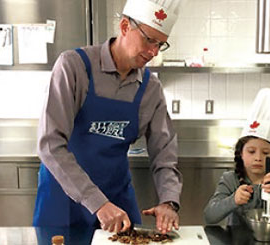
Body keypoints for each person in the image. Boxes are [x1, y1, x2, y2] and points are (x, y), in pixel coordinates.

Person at [33, 0, 184, 236]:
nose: (153, 52)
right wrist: (98, 203)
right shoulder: (74, 66)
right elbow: (50, 145)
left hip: (117, 199)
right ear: (125, 27)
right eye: (149, 40)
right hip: (63, 200)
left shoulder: (150, 88)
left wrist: (169, 202)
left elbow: (164, 154)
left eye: (160, 44)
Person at [204, 88, 270, 225]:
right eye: (251, 151)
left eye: (266, 153)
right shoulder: (231, 180)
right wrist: (233, 200)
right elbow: (209, 216)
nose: (258, 158)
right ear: (241, 154)